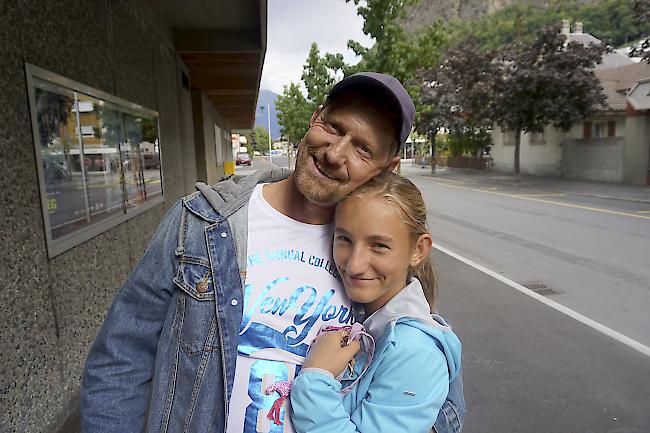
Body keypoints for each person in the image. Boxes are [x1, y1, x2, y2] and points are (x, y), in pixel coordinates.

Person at [80, 72, 464, 433]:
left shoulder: (372, 268)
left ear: (389, 168)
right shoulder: (201, 223)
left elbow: (412, 382)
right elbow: (121, 359)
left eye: (363, 150)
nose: (335, 154)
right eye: (333, 128)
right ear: (315, 118)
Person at [290, 172, 461, 433]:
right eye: (344, 239)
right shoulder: (352, 310)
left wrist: (314, 379)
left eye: (379, 245)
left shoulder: (415, 353)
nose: (355, 264)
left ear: (418, 250)